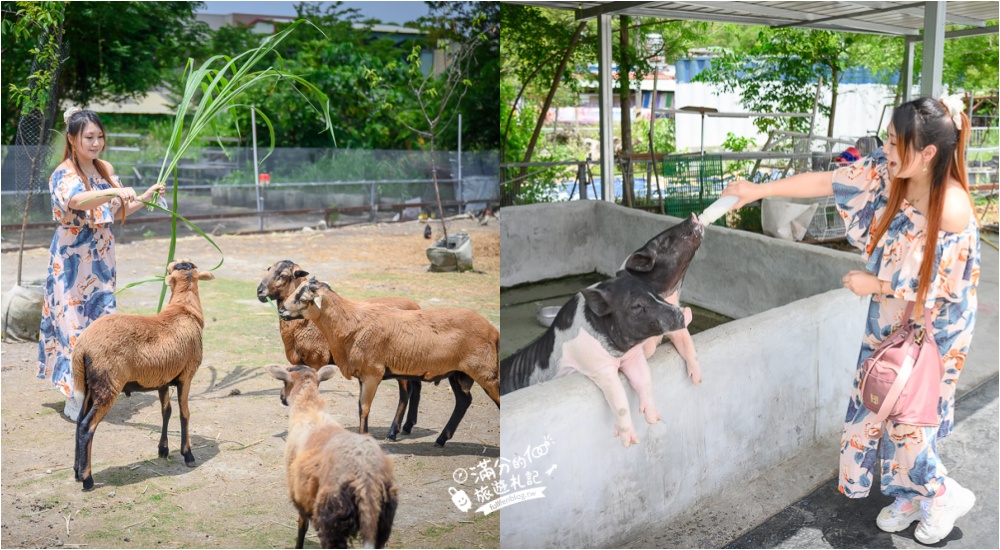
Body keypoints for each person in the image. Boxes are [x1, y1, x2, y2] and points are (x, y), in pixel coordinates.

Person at [722, 96, 980, 545]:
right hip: (895, 311)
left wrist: (873, 284)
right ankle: (908, 492)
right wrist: (757, 190)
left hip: (935, 325)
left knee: (910, 413)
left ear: (928, 154)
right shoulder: (894, 169)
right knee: (880, 398)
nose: (886, 147)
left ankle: (940, 492)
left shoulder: (951, 207)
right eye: (888, 137)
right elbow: (829, 179)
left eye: (896, 142)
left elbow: (940, 288)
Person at [36, 108, 165, 421]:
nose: (95, 143)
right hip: (71, 259)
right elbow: (78, 202)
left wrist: (145, 197)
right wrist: (112, 190)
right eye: (88, 137)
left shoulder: (104, 168)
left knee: (102, 327)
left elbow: (118, 208)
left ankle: (96, 388)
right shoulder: (63, 173)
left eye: (99, 137)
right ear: (72, 138)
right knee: (72, 325)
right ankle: (74, 395)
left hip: (102, 257)